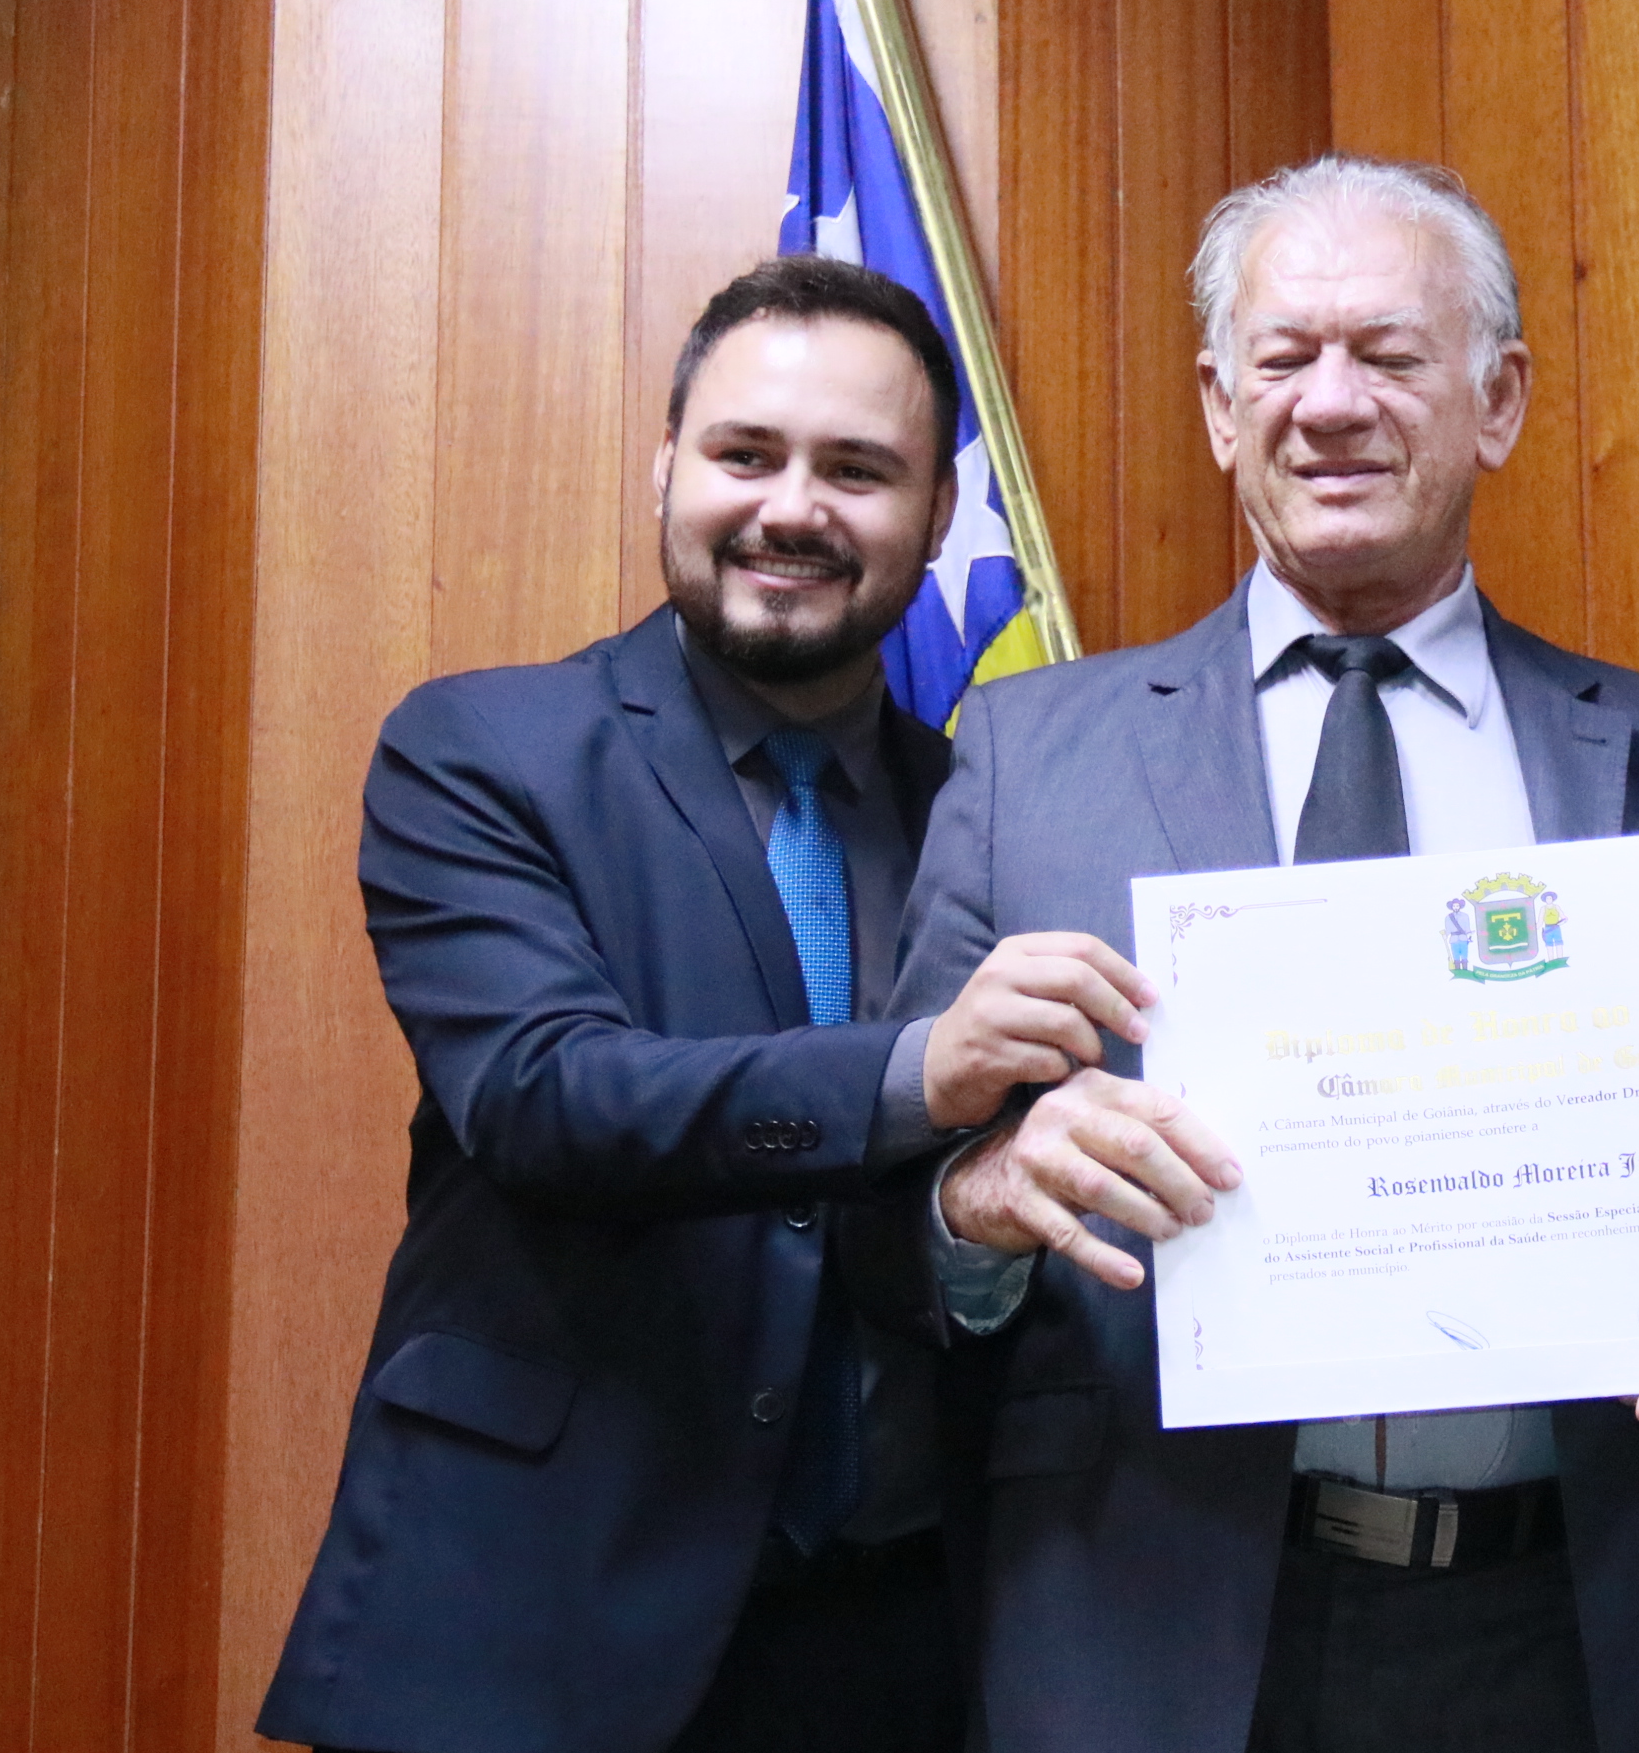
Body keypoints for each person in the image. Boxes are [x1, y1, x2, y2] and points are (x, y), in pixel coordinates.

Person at [859, 155, 1639, 1753]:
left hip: (1568, 1637)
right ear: (1220, 409)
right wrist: (981, 1203)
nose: (1332, 404)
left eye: (1389, 354)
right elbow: (887, 1233)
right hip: (1153, 1627)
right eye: (1285, 358)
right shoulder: (1028, 759)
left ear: (1499, 401)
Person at [259, 256, 1192, 1753]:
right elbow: (545, 1099)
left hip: (899, 1636)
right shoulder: (483, 750)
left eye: (858, 470)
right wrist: (917, 1072)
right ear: (667, 469)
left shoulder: (989, 813)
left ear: (938, 517)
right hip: (531, 1619)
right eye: (745, 454)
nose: (792, 508)